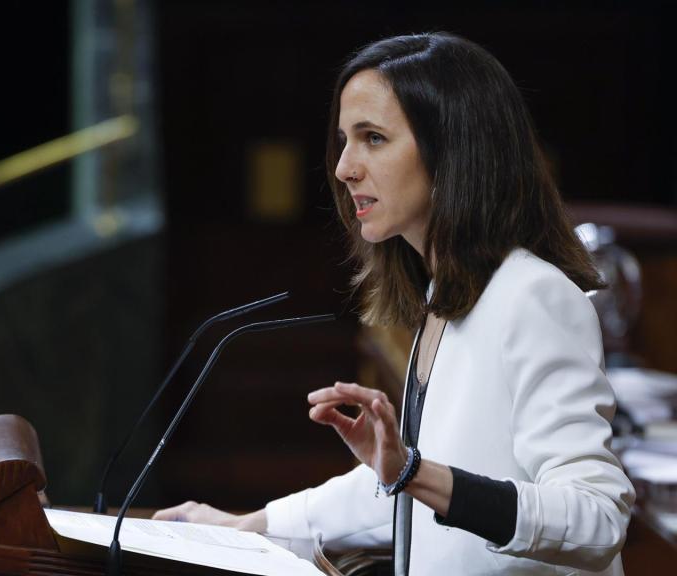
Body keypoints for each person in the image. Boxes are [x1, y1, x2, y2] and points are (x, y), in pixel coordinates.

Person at [154, 33, 634, 575]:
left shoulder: (535, 296)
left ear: (453, 149)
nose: (344, 168)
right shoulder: (445, 295)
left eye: (374, 138)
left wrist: (413, 473)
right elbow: (404, 488)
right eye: (344, 140)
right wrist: (250, 526)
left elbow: (598, 519)